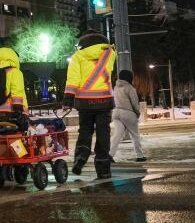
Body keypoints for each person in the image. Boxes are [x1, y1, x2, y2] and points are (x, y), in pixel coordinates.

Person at [62, 31, 116, 179]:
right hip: (104, 101)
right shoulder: (109, 54)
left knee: (85, 131)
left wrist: (68, 99)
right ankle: (103, 169)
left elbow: (73, 79)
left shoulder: (77, 57)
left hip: (85, 103)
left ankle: (80, 158)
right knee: (103, 135)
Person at [0, 47, 28, 131]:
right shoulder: (15, 72)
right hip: (10, 115)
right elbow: (17, 93)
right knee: (17, 139)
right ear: (14, 57)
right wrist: (18, 112)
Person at [109, 70, 146, 162]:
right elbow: (134, 103)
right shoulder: (130, 88)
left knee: (117, 135)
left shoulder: (116, 87)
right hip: (128, 113)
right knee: (135, 135)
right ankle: (140, 155)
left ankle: (109, 155)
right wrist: (137, 113)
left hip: (116, 112)